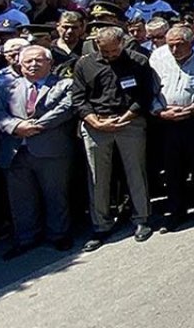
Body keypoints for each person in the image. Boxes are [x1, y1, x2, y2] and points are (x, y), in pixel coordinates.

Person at [72, 26, 157, 252]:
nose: (109, 55)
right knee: (98, 176)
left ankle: (141, 219)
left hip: (130, 120)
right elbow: (79, 99)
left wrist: (126, 117)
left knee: (135, 171)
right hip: (96, 124)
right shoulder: (84, 64)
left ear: (122, 43)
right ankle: (101, 225)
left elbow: (145, 94)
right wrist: (95, 121)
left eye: (114, 51)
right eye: (105, 51)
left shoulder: (138, 61)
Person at [0, 45, 75, 258]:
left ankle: (59, 235)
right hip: (15, 150)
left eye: (39, 60)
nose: (33, 64)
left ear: (50, 63)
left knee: (55, 194)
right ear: (19, 65)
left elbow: (65, 109)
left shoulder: (64, 84)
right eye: (28, 61)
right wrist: (15, 127)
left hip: (50, 148)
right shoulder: (6, 87)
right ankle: (26, 238)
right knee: (21, 198)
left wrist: (35, 126)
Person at [149, 24, 194, 232]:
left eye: (180, 45)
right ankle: (177, 210)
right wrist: (160, 111)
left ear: (192, 43)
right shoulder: (158, 59)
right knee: (172, 169)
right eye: (171, 46)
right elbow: (150, 91)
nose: (175, 50)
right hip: (166, 121)